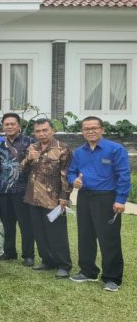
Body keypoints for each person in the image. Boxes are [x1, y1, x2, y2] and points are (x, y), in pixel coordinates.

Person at [67, 116, 130, 292]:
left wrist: (120, 199)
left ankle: (112, 278)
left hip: (107, 198)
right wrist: (74, 181)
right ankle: (88, 271)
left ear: (102, 129)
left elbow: (124, 176)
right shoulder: (79, 152)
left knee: (108, 238)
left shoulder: (115, 149)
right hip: (85, 197)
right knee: (85, 235)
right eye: (86, 129)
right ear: (82, 132)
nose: (90, 131)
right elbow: (71, 172)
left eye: (94, 128)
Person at [0, 113, 35, 266]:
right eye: (6, 124)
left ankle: (28, 255)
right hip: (4, 190)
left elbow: (35, 165)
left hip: (23, 190)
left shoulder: (29, 142)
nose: (9, 126)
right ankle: (9, 252)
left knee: (26, 225)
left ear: (19, 126)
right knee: (7, 224)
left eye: (12, 124)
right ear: (3, 127)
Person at [21, 119, 72, 278]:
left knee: (57, 233)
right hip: (33, 197)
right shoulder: (32, 147)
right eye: (38, 131)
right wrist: (28, 159)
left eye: (45, 130)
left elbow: (66, 175)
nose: (41, 134)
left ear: (53, 131)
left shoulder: (62, 149)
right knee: (39, 232)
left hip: (53, 199)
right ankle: (47, 260)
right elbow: (22, 171)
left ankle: (63, 264)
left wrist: (65, 197)